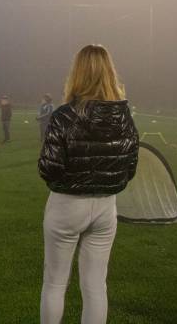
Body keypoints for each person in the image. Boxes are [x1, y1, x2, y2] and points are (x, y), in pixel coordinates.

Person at [38, 45, 139, 324]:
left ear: (77, 74)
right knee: (95, 286)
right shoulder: (124, 116)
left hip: (66, 205)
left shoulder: (64, 115)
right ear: (109, 73)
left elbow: (49, 168)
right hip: (106, 207)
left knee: (55, 283)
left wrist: (69, 182)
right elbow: (130, 166)